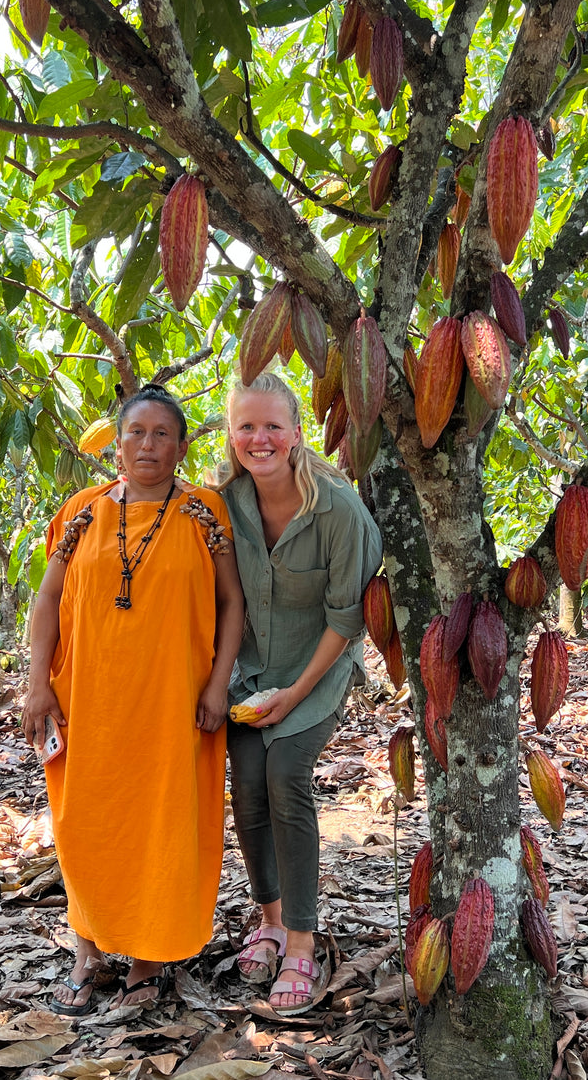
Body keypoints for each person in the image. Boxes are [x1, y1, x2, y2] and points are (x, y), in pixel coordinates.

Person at [22, 384, 245, 1016]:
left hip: (174, 701)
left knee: (162, 825)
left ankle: (149, 960)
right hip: (88, 698)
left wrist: (217, 682)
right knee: (86, 824)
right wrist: (38, 684)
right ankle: (86, 955)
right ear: (116, 443)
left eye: (162, 435)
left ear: (181, 445)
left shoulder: (205, 511)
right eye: (136, 433)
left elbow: (232, 603)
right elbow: (46, 603)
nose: (148, 445)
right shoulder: (82, 512)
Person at [219, 372, 382, 1016]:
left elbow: (346, 620)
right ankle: (268, 915)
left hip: (317, 670)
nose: (259, 439)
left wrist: (295, 693)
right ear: (231, 435)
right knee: (248, 784)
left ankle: (301, 941)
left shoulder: (337, 508)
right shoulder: (225, 502)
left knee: (287, 775)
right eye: (245, 427)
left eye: (272, 426)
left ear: (295, 432)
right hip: (250, 671)